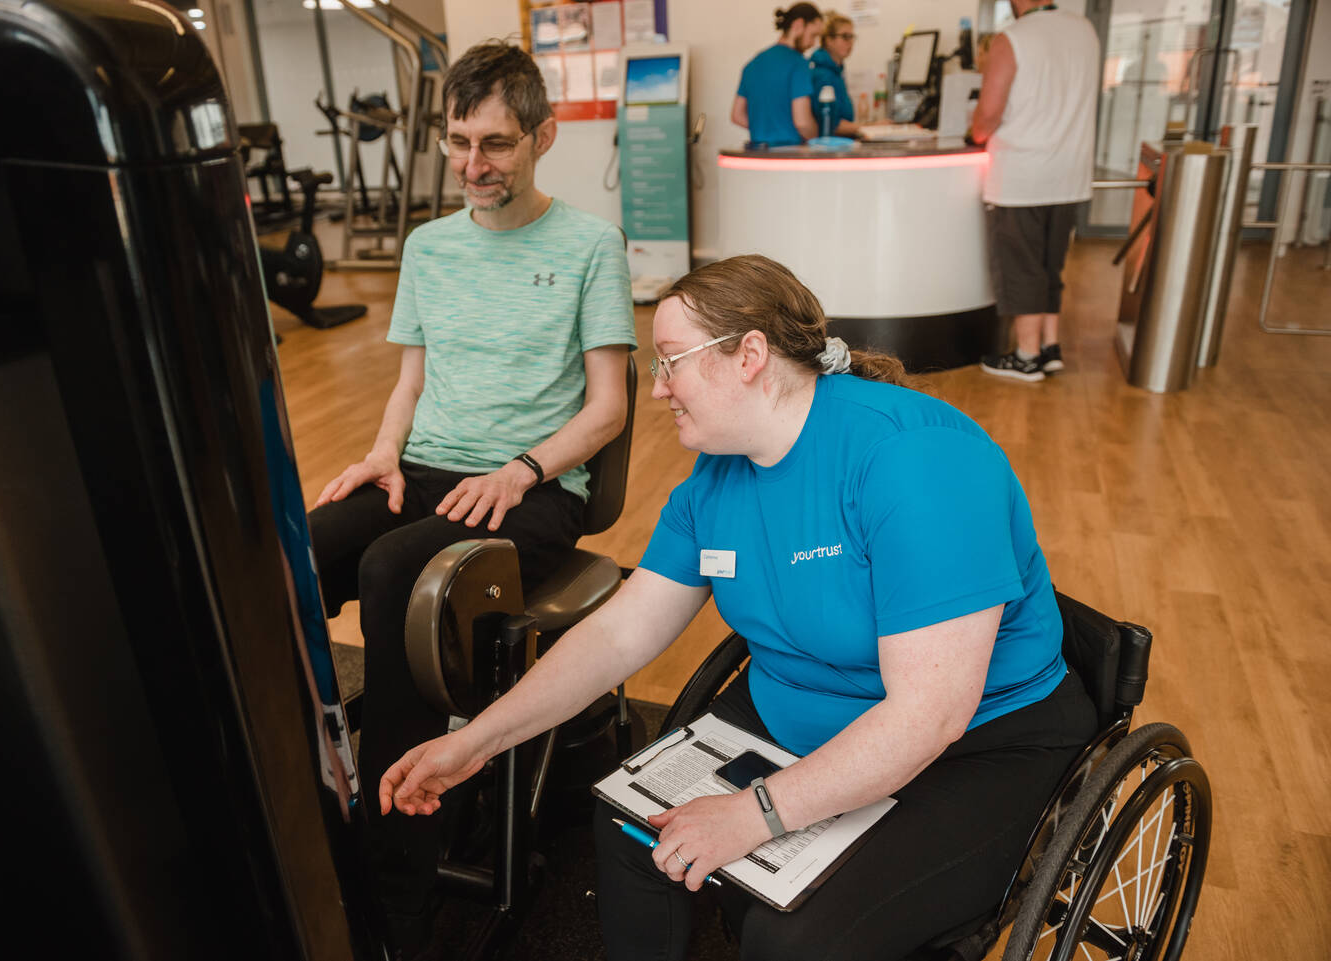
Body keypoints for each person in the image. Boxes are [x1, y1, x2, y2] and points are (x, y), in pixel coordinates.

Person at [378, 254, 1097, 961]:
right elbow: (620, 632)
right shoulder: (714, 480)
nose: (658, 390)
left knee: (794, 938)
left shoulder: (914, 458)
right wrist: (477, 741)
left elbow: (929, 714)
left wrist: (755, 814)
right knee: (634, 830)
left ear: (749, 353)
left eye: (672, 361)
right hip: (802, 710)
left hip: (979, 740)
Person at [306, 39, 635, 954]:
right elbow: (412, 382)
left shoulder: (589, 245)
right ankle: (315, 783)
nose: (472, 165)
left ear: (542, 136)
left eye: (494, 144)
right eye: (458, 141)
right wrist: (380, 454)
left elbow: (606, 410)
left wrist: (523, 469)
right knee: (291, 552)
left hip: (532, 488)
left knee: (391, 574)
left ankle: (396, 889)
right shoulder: (428, 245)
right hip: (432, 468)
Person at [970, 0, 1100, 382]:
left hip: (1023, 176)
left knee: (1022, 266)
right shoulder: (1084, 30)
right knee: (1049, 266)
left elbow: (988, 115)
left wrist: (976, 132)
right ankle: (1049, 346)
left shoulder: (1012, 39)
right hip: (1070, 174)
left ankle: (1026, 357)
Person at [732, 4, 823, 147]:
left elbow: (737, 116)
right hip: (789, 155)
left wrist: (767, 130)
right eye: (813, 36)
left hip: (757, 153)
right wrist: (819, 138)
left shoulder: (752, 64)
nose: (813, 43)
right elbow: (802, 123)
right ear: (799, 25)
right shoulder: (798, 63)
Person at [809, 13, 861, 138]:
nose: (850, 43)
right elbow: (832, 124)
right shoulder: (822, 74)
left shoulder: (836, 71)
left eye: (851, 37)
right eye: (845, 37)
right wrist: (873, 127)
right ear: (829, 40)